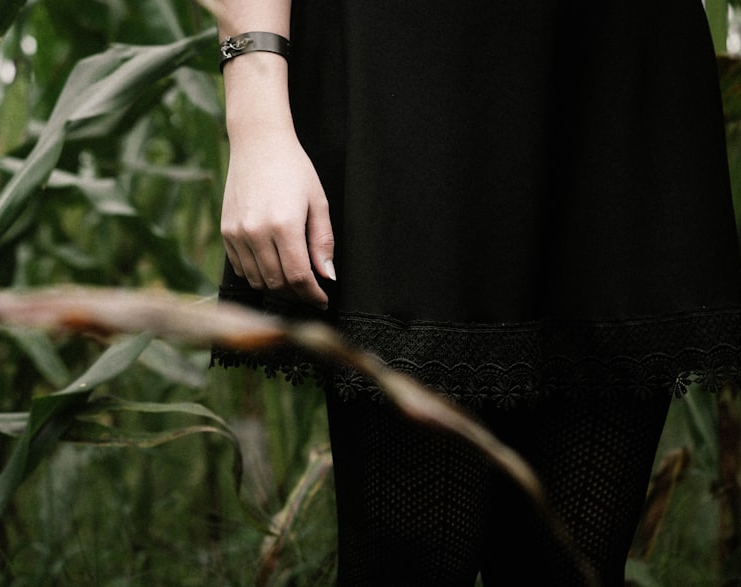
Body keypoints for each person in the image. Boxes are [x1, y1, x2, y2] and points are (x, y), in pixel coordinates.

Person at [211, 1, 741, 585]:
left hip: (616, 69)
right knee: (410, 562)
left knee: (573, 566)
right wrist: (255, 113)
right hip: (406, 71)